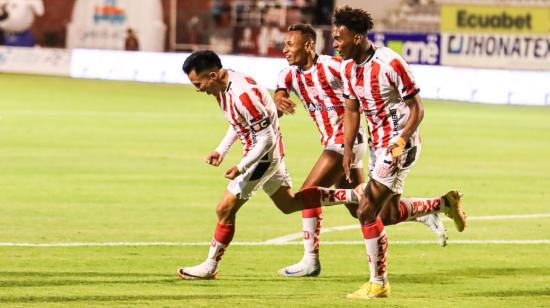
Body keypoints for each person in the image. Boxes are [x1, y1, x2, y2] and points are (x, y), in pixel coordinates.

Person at [274, 23, 448, 278]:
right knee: (369, 211)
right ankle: (428, 210)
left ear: (309, 45)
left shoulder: (334, 67)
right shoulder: (287, 74)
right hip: (332, 143)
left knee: (308, 194)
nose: (284, 50)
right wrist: (278, 101)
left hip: (348, 141)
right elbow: (280, 99)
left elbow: (356, 101)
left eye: (290, 44)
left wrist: (354, 121)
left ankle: (311, 260)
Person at [176, 50, 364, 280]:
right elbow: (238, 123)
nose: (198, 89)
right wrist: (220, 150)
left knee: (224, 208)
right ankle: (353, 196)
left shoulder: (242, 94)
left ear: (213, 76)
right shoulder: (224, 87)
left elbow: (266, 139)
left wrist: (242, 166)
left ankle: (210, 266)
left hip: (262, 157)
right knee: (288, 204)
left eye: (198, 83)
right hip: (262, 153)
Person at [332, 6, 467, 299]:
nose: (335, 44)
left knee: (366, 210)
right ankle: (442, 204)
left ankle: (378, 283)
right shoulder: (347, 68)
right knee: (389, 214)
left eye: (339, 38)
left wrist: (402, 140)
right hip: (379, 147)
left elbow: (418, 108)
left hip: (399, 147)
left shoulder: (391, 63)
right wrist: (347, 150)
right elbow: (352, 110)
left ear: (356, 37)